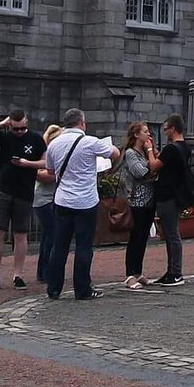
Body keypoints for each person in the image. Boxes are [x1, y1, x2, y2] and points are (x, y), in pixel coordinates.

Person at [43, 109, 118, 301]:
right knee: (84, 246)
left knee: (59, 246)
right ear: (82, 123)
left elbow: (50, 170)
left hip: (62, 200)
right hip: (85, 201)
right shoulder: (90, 142)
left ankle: (53, 288)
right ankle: (82, 289)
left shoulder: (54, 144)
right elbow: (115, 153)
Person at [0, 109, 46, 290]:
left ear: (27, 123)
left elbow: (46, 162)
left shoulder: (36, 139)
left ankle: (18, 274)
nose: (19, 132)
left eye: (22, 128)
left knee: (20, 234)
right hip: (4, 190)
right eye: (16, 129)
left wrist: (27, 164)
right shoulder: (5, 137)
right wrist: (2, 124)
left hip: (24, 192)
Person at [144, 114, 194, 287]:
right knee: (170, 233)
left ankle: (176, 273)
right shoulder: (184, 147)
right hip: (177, 194)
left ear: (173, 128)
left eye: (166, 129)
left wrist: (150, 150)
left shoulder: (171, 149)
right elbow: (166, 163)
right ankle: (171, 271)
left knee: (172, 234)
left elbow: (154, 166)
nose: (164, 132)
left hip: (168, 195)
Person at [119, 121, 160, 288]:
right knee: (135, 238)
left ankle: (138, 272)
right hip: (137, 201)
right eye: (145, 132)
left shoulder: (144, 154)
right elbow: (141, 172)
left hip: (149, 201)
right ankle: (130, 275)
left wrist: (152, 154)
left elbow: (156, 168)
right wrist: (153, 166)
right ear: (136, 135)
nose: (148, 135)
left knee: (143, 238)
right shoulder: (131, 153)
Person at [26, 123, 62, 284]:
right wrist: (60, 173)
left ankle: (43, 271)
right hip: (43, 199)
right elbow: (40, 175)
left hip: (53, 199)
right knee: (53, 233)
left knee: (48, 235)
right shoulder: (45, 154)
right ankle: (47, 271)